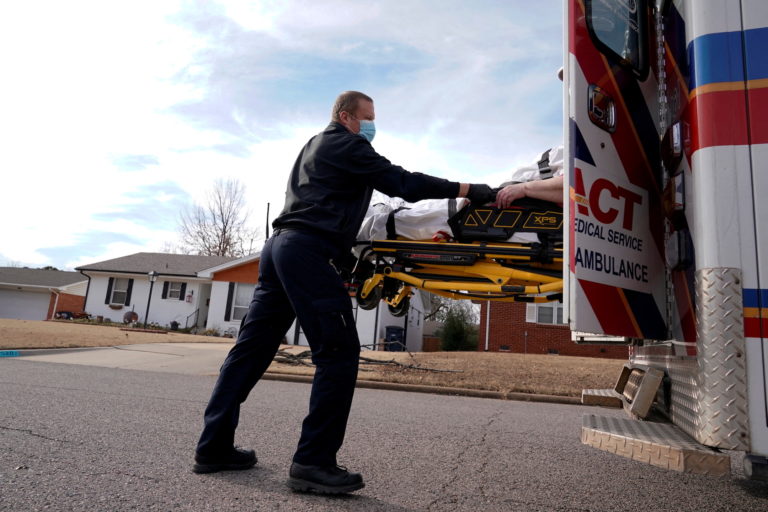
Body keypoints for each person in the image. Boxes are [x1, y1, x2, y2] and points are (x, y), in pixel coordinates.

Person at [192, 91, 495, 494]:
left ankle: (214, 447)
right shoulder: (345, 143)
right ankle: (312, 462)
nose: (371, 126)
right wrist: (468, 189)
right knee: (338, 354)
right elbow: (401, 182)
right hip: (307, 251)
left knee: (250, 351)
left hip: (280, 248)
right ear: (345, 116)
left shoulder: (312, 148)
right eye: (366, 118)